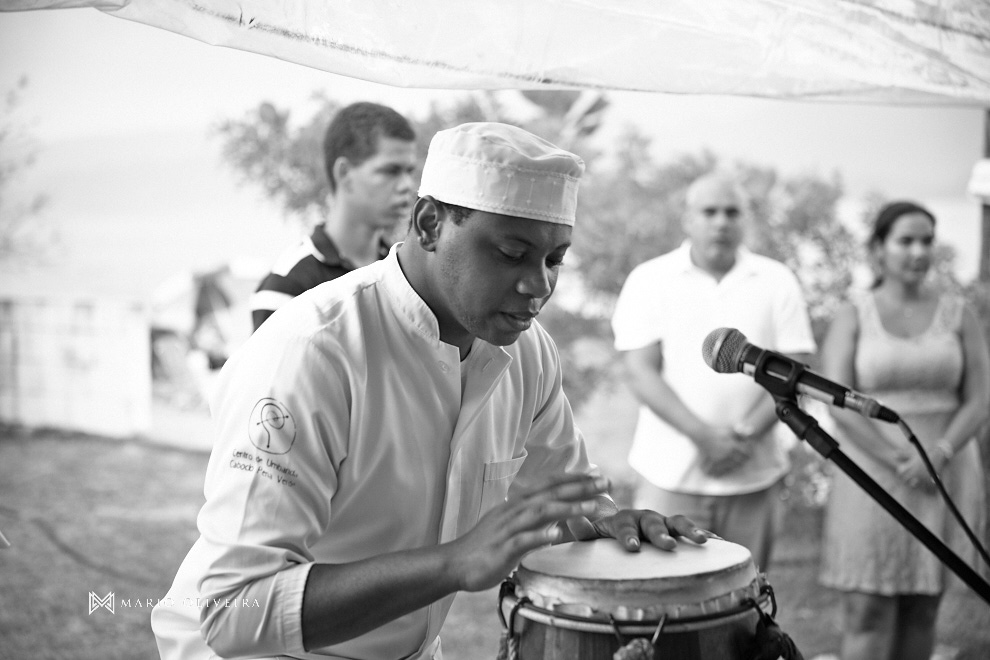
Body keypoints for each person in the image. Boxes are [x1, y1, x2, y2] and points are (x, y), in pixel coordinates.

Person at [152, 122, 710, 660]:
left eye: (554, 259)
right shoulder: (313, 353)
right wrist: (453, 564)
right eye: (512, 254)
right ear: (428, 224)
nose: (539, 285)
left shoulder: (529, 353)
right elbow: (229, 610)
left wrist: (612, 523)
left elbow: (566, 501)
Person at [610, 170, 816, 573]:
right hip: (668, 477)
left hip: (755, 477)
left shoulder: (777, 280)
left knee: (746, 599)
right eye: (709, 211)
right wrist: (705, 438)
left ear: (747, 219)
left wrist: (739, 438)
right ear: (687, 218)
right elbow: (639, 372)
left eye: (732, 212)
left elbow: (796, 368)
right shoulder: (649, 279)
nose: (721, 221)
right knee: (660, 598)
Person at [817, 201, 990, 660]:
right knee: (866, 608)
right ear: (878, 250)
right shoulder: (852, 314)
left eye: (927, 240)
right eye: (905, 241)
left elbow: (980, 399)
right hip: (870, 473)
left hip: (945, 472)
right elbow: (835, 402)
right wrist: (897, 458)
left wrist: (941, 453)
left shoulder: (960, 314)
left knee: (922, 606)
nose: (918, 251)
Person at [250, 101, 418, 331]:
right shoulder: (287, 285)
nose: (407, 185)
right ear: (344, 173)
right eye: (390, 171)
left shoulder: (401, 272)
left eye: (409, 171)